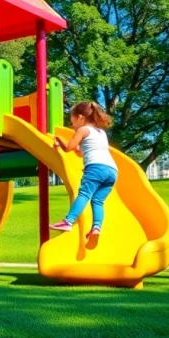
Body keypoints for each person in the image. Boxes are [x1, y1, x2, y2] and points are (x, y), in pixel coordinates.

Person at [49, 101, 117, 239]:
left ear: (80, 117)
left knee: (84, 194)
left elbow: (69, 148)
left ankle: (68, 221)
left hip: (96, 167)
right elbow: (80, 152)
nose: (71, 125)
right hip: (112, 170)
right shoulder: (101, 133)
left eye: (72, 121)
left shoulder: (82, 130)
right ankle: (96, 228)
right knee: (98, 201)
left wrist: (59, 140)